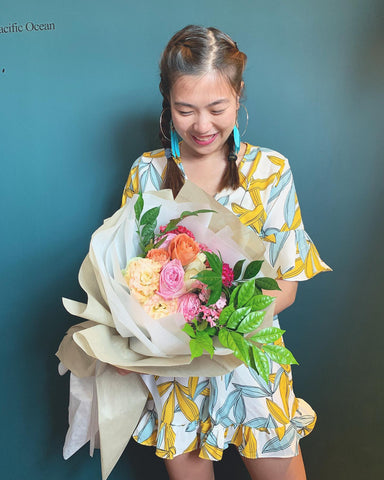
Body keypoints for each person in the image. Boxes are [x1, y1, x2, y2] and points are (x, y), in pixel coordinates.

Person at [120, 25, 330, 480]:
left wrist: (218, 324)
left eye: (217, 108)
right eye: (185, 109)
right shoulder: (147, 173)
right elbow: (130, 279)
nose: (202, 125)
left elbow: (287, 287)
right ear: (167, 104)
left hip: (251, 361)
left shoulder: (271, 172)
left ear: (238, 96)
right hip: (176, 375)